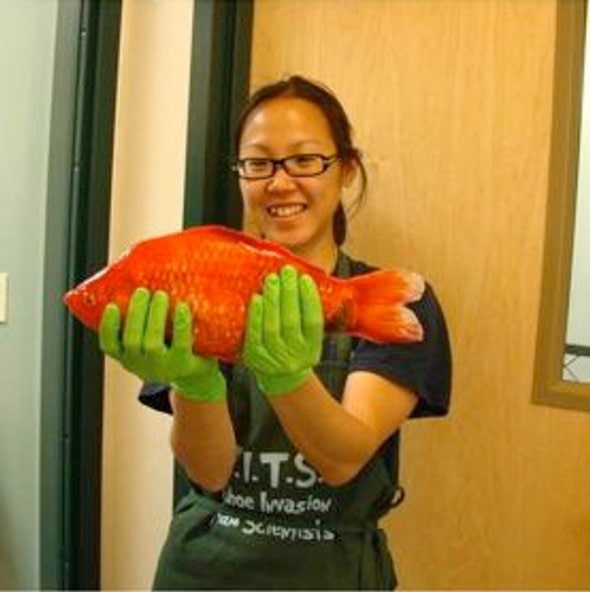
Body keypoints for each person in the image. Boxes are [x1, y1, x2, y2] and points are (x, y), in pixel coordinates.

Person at [99, 75, 451, 590]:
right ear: (240, 174)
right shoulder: (192, 286)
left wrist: (285, 375)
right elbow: (210, 472)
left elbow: (341, 459)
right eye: (258, 163)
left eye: (305, 159)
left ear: (346, 170)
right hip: (202, 567)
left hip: (329, 572)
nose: (279, 182)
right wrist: (194, 382)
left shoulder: (398, 301)